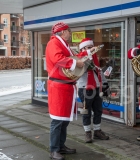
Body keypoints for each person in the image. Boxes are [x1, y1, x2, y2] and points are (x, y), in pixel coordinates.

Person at [46, 22, 84, 160]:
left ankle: (60, 146)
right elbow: (58, 59)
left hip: (66, 87)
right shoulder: (53, 43)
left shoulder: (63, 44)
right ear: (63, 32)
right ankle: (54, 150)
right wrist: (75, 63)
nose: (70, 32)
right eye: (69, 30)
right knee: (57, 120)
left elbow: (73, 57)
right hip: (59, 87)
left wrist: (85, 55)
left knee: (64, 121)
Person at [77, 38, 109, 143]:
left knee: (98, 111)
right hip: (85, 88)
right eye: (88, 47)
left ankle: (97, 131)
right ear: (83, 49)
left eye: (92, 47)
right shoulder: (80, 59)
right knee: (86, 112)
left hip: (96, 88)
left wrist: (105, 84)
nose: (91, 49)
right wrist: (88, 56)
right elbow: (79, 69)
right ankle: (87, 132)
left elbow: (99, 72)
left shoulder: (95, 59)